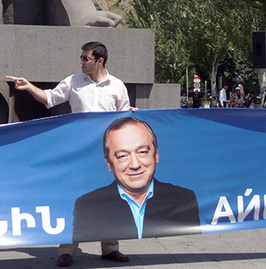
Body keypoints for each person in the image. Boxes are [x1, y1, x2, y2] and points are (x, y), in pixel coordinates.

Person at [6, 41, 134, 267]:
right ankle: (66, 250)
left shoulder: (117, 86)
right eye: (82, 58)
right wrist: (28, 86)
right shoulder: (73, 81)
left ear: (99, 61)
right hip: (78, 152)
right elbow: (49, 98)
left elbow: (125, 117)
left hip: (108, 154)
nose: (82, 62)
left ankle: (110, 248)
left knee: (110, 199)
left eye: (86, 58)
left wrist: (132, 113)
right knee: (74, 200)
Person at [72, 117, 200, 242]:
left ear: (156, 155)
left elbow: (191, 244)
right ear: (109, 163)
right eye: (122, 156)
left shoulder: (183, 199)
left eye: (142, 152)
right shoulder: (88, 206)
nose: (135, 165)